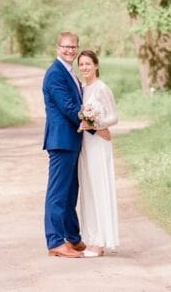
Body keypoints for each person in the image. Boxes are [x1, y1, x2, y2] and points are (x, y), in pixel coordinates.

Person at [42, 30, 87, 258]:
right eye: (66, 46)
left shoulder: (70, 73)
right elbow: (69, 107)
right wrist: (90, 120)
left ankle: (73, 237)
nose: (70, 50)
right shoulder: (55, 74)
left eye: (73, 47)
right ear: (57, 47)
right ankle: (55, 242)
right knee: (58, 193)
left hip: (72, 140)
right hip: (61, 141)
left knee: (70, 193)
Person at [76, 49, 119, 256]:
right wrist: (89, 125)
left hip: (99, 144)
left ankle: (101, 241)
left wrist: (97, 124)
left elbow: (114, 117)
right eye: (81, 64)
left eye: (88, 64)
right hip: (85, 143)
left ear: (96, 65)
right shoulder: (82, 88)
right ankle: (92, 238)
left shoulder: (102, 89)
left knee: (99, 187)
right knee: (89, 190)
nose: (84, 67)